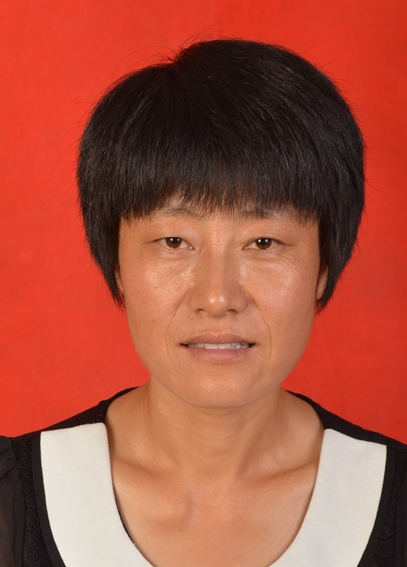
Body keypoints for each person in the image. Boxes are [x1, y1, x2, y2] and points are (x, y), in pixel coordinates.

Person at [0, 38, 406, 567]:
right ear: (116, 264)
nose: (217, 297)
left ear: (323, 268)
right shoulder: (12, 501)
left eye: (263, 242)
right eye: (174, 241)